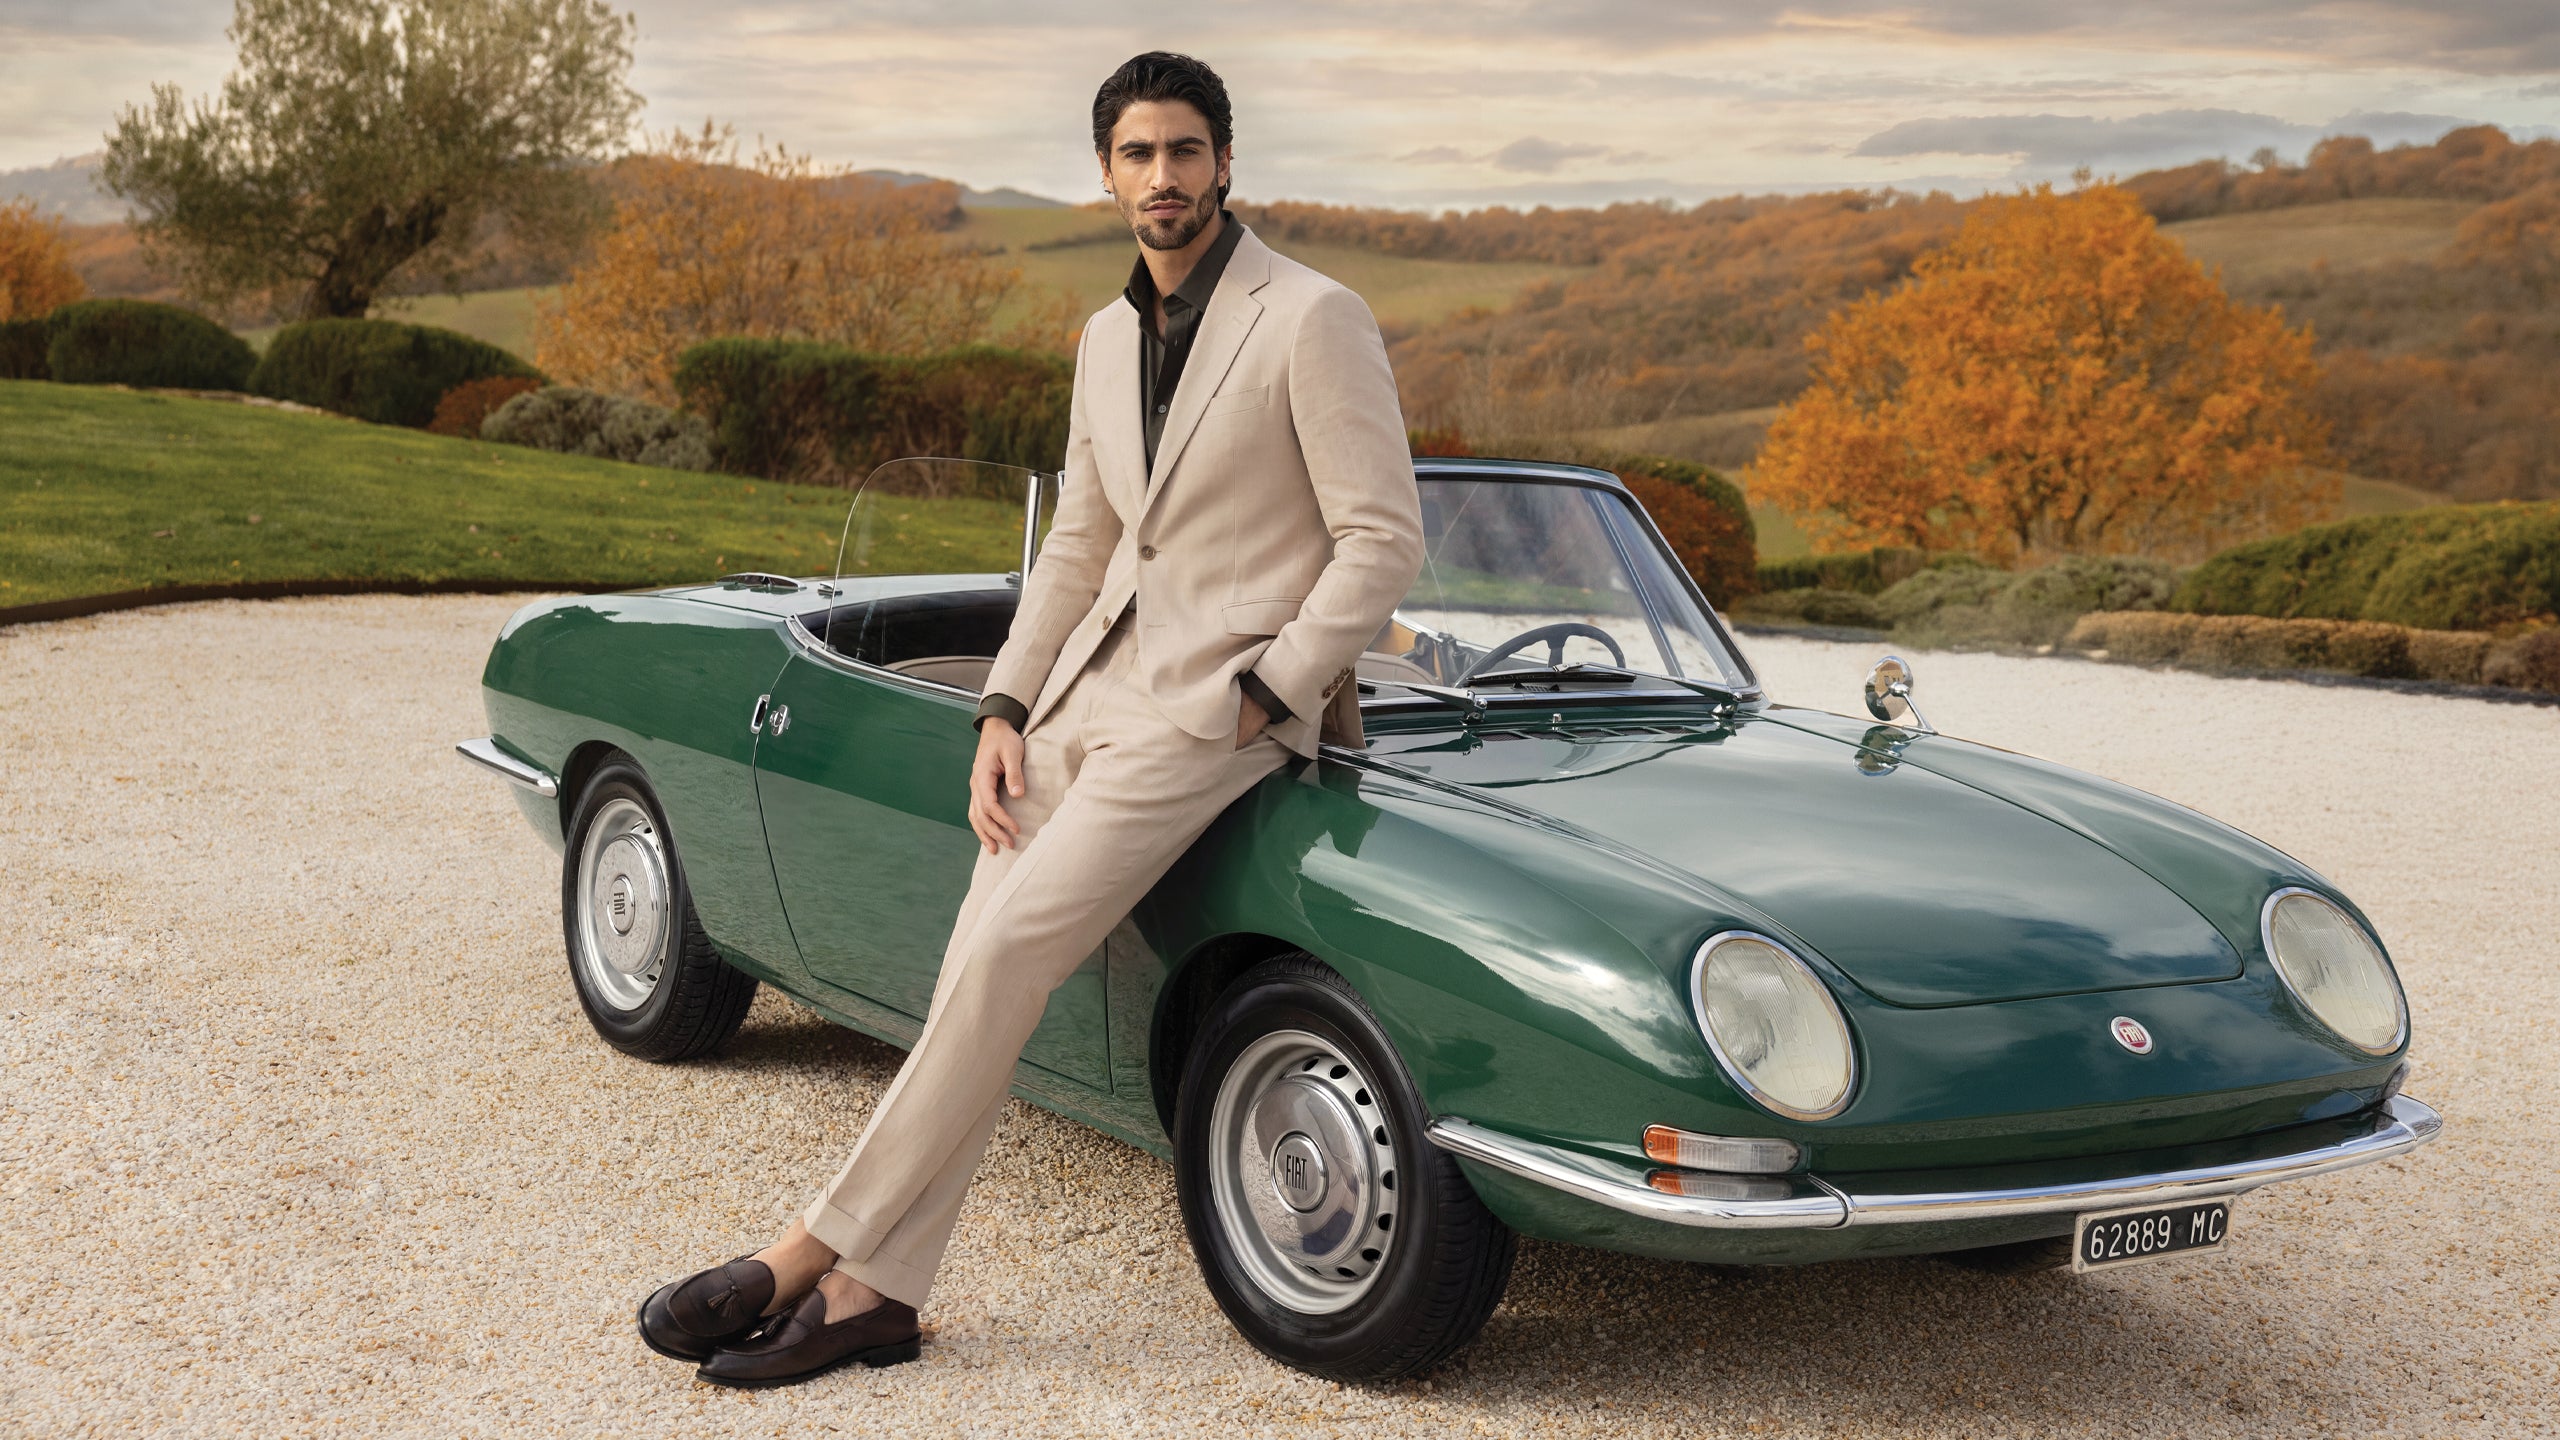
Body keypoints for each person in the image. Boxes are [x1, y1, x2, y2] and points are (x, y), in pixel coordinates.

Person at [635, 50, 1425, 1389]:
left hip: (1211, 719)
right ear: (1109, 172)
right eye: (1137, 154)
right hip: (1079, 703)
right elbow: (1080, 541)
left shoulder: (1313, 317)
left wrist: (1267, 692)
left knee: (1007, 966)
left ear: (1225, 164)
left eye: (1185, 151)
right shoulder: (1107, 336)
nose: (1162, 177)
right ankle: (881, 1296)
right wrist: (1004, 701)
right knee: (966, 977)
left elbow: (1381, 538)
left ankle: (796, 1257)